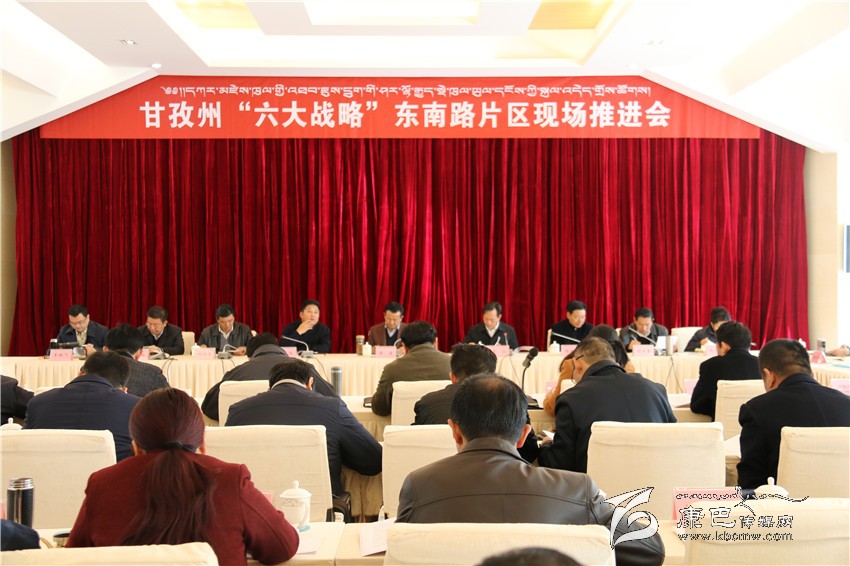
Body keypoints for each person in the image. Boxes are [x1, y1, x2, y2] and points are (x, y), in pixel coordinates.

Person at [396, 374, 665, 566]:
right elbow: (650, 548)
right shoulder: (577, 490)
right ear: (524, 435)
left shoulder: (418, 485)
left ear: (454, 431)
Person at [67, 388, 298, 565]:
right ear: (203, 442)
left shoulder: (103, 484)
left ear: (135, 446)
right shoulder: (230, 479)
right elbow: (282, 547)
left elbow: (73, 558)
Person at [226, 358, 382, 497]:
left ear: (270, 386)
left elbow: (227, 465)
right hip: (320, 511)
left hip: (253, 506)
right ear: (310, 383)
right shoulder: (332, 407)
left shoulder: (238, 411)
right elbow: (373, 461)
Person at [538, 337, 675, 473]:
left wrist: (546, 445)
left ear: (577, 364)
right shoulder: (656, 391)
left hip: (595, 486)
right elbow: (673, 443)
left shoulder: (571, 399)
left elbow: (559, 464)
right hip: (656, 480)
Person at [737, 339, 850, 491]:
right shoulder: (846, 403)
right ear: (810, 372)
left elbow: (750, 483)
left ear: (769, 376)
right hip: (843, 504)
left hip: (783, 504)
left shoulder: (757, 409)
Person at [414, 344, 538, 461]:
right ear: (493, 375)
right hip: (505, 473)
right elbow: (530, 453)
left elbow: (415, 444)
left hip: (437, 471)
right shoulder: (513, 401)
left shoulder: (427, 404)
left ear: (452, 377)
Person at [24, 351, 138, 461]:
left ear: (80, 374)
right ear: (123, 389)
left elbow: (24, 446)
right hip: (112, 473)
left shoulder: (38, 402)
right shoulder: (135, 406)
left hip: (47, 472)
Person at [201, 333, 337, 422]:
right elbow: (333, 400)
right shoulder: (305, 369)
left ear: (251, 356)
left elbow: (209, 407)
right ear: (278, 348)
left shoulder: (238, 372)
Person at [542, 325, 635, 417]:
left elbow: (553, 407)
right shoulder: (627, 366)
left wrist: (548, 398)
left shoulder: (573, 365)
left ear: (588, 342)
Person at [370, 321, 451, 416]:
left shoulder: (392, 369)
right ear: (436, 342)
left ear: (404, 347)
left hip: (403, 424)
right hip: (445, 422)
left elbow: (380, 408)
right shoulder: (452, 364)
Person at [689, 322, 759, 420]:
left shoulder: (710, 366)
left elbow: (696, 406)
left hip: (721, 427)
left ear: (723, 345)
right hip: (754, 426)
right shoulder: (761, 365)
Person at [104, 324, 169, 398]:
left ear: (105, 349)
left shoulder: (93, 370)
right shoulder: (153, 373)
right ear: (139, 353)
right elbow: (171, 400)